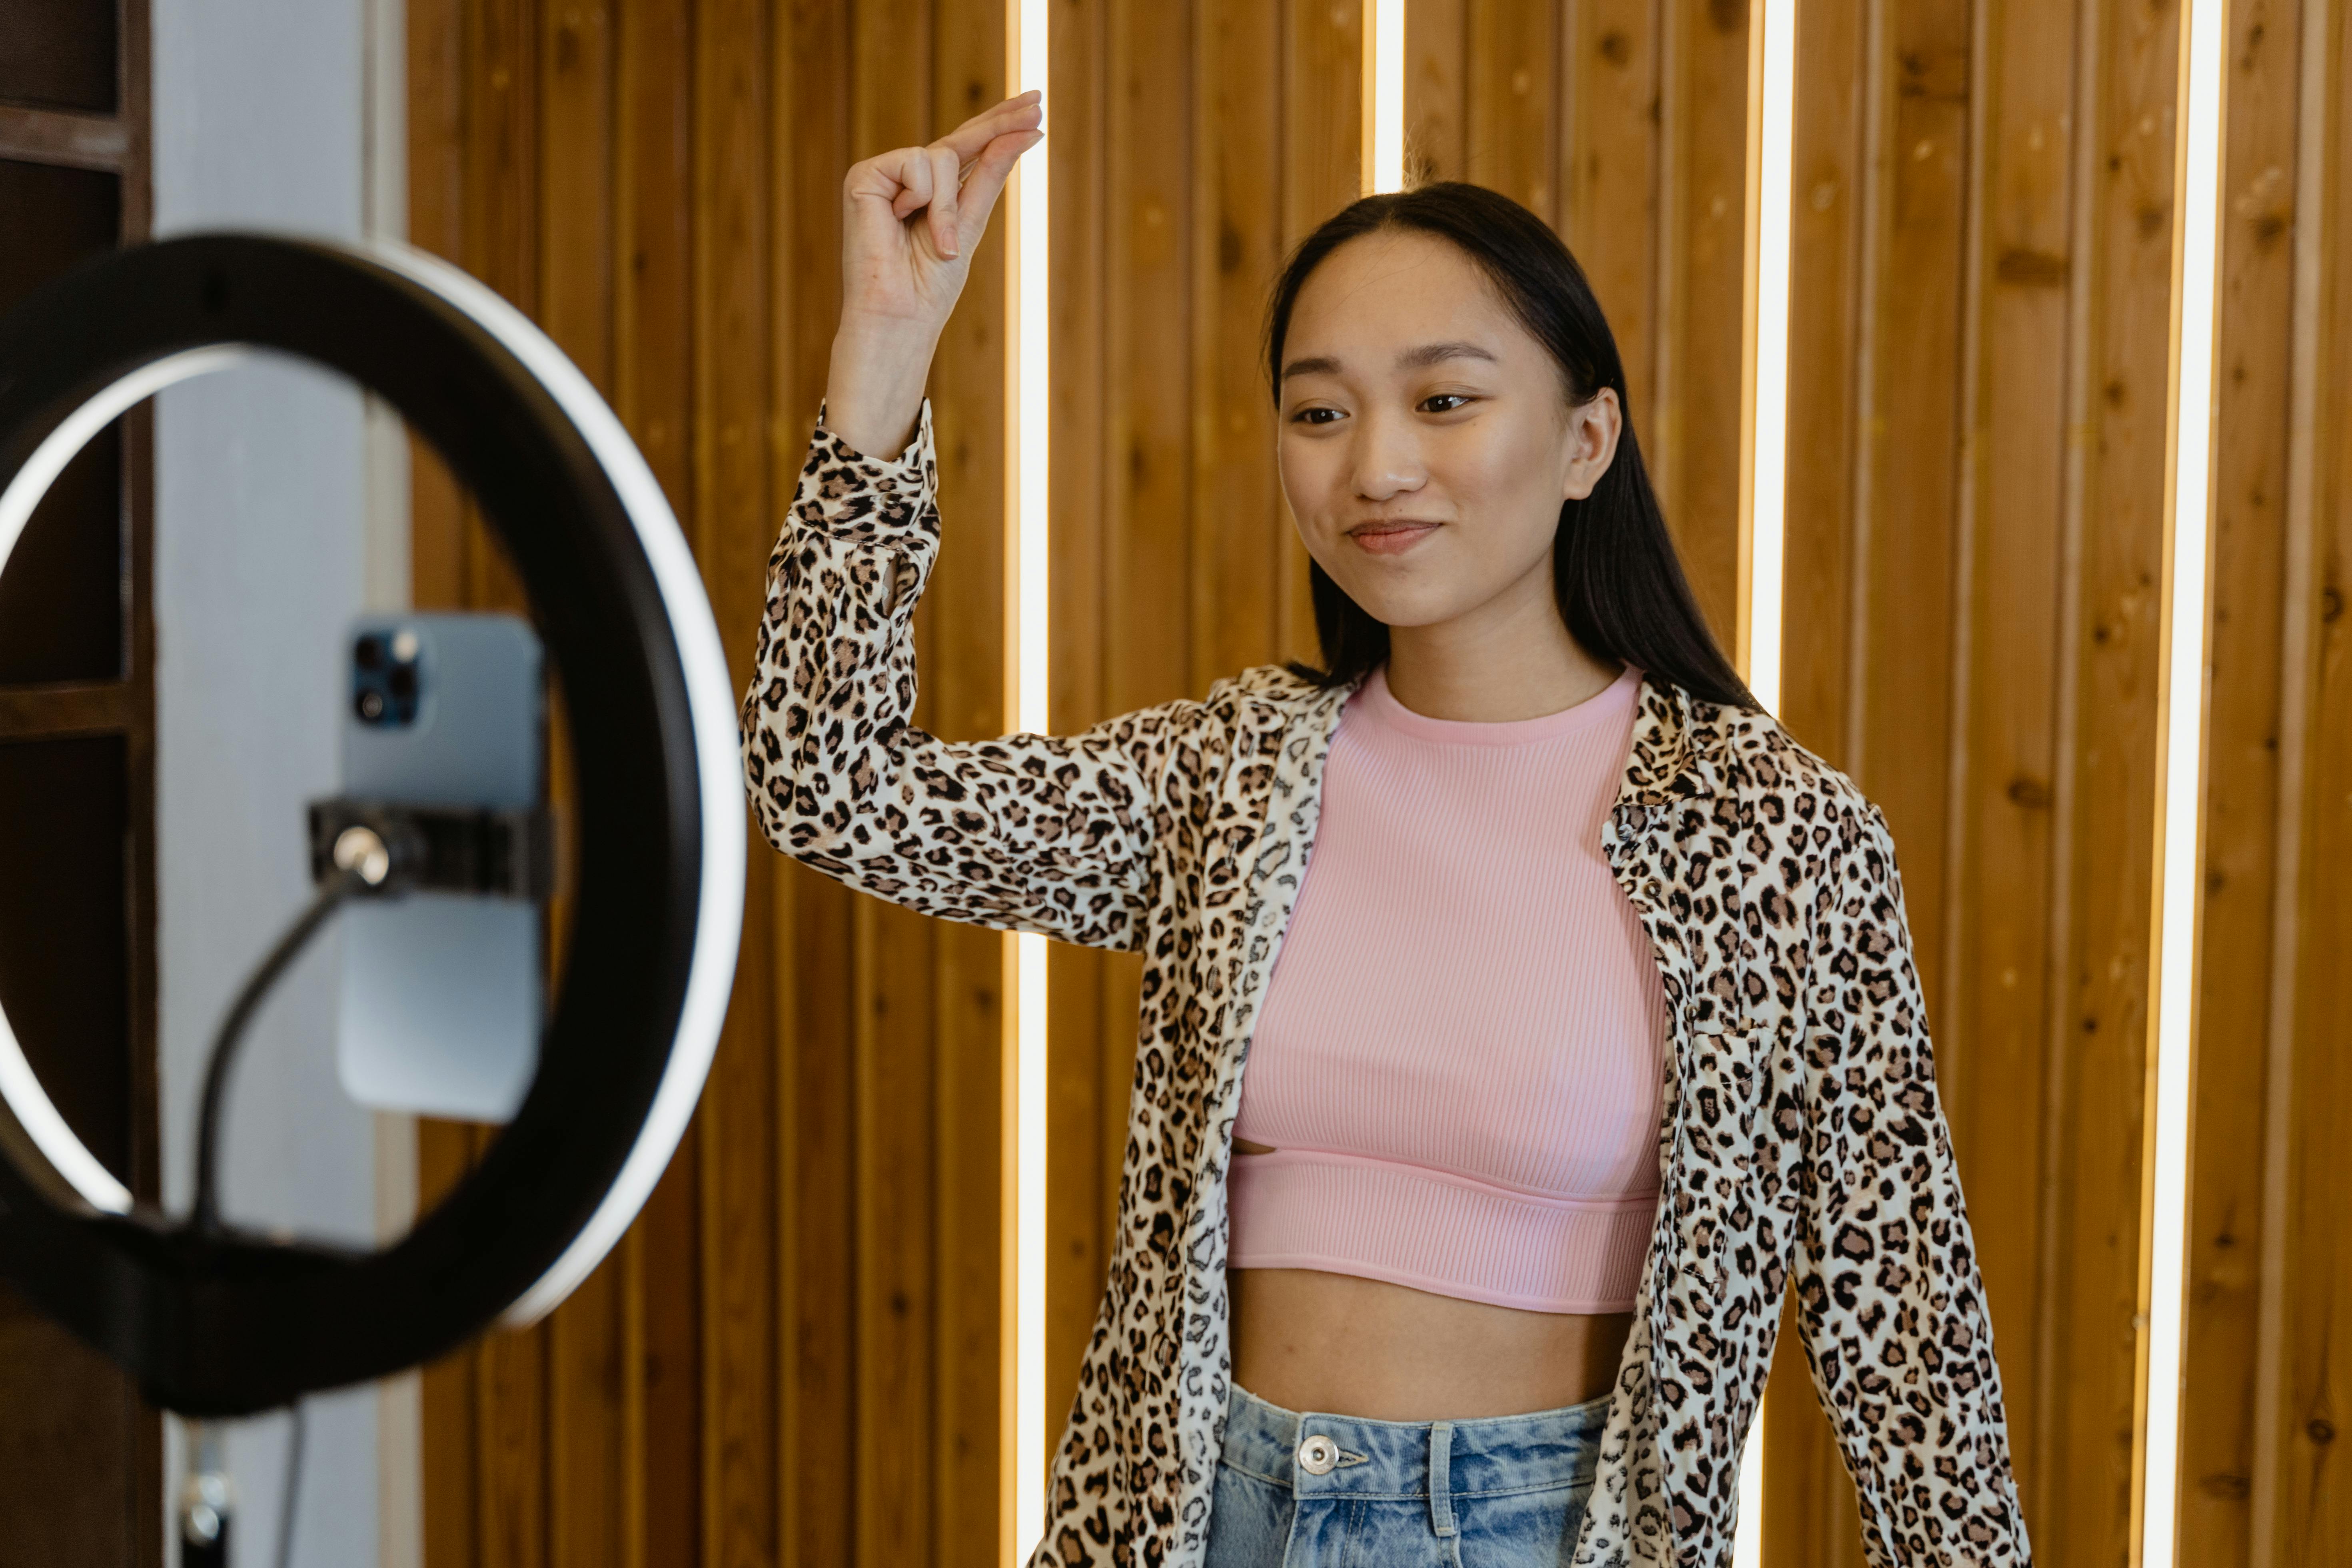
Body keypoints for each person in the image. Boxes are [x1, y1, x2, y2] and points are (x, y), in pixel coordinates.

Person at [742, 91, 2030, 1568]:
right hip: (1202, 1517)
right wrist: (884, 361)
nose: (1374, 466)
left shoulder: (1771, 832)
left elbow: (1907, 1331)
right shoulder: (1233, 774)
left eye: (1442, 398)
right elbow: (829, 788)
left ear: (1585, 438)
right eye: (1318, 408)